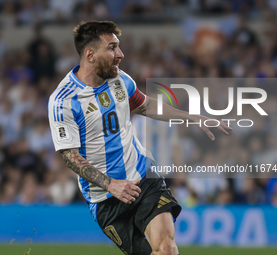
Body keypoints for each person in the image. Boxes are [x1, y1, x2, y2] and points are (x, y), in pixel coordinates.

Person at [48, 21, 231, 255]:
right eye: (112, 48)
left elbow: (145, 106)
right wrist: (111, 184)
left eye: (119, 47)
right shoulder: (63, 100)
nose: (120, 55)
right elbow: (70, 157)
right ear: (90, 54)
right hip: (105, 197)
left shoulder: (120, 79)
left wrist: (191, 117)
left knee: (166, 249)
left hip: (143, 176)